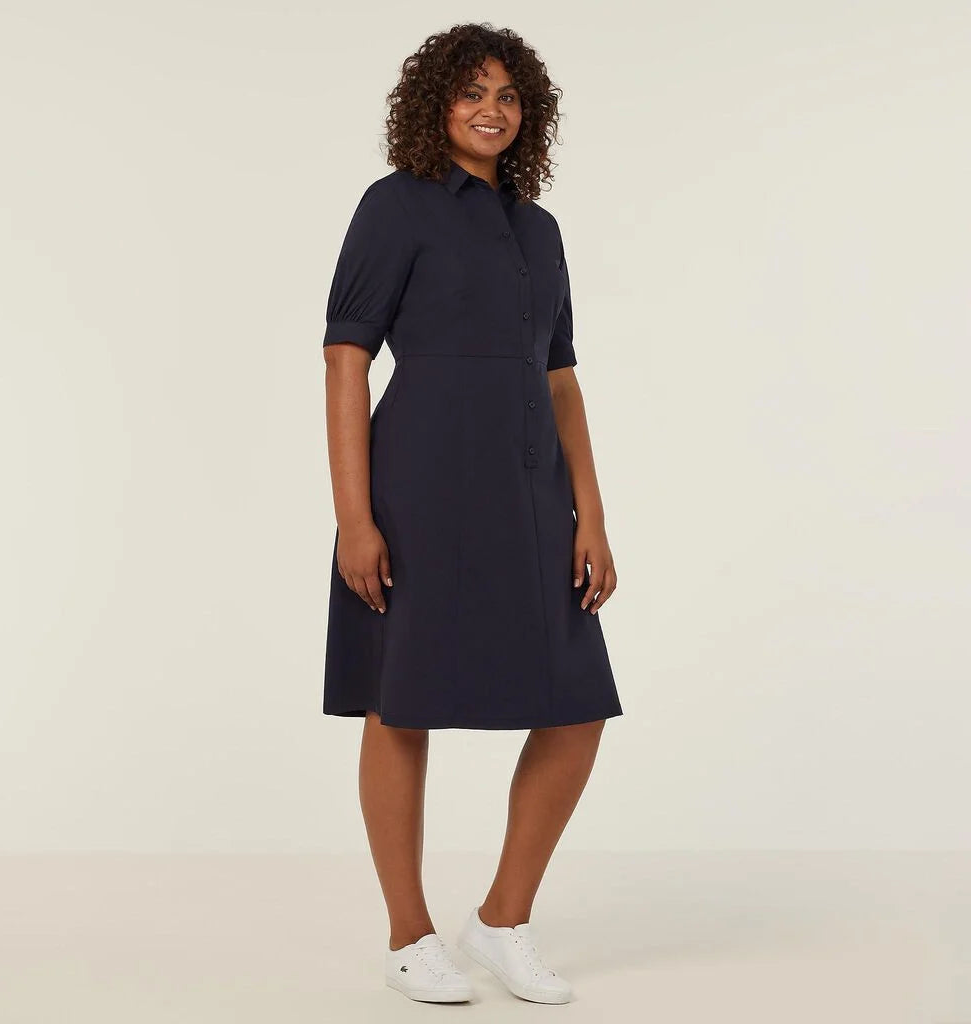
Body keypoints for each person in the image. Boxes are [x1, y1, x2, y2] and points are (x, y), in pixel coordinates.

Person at [320, 23, 623, 1005]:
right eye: (470, 92)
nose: (491, 110)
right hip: (417, 489)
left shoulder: (539, 230)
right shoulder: (395, 206)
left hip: (531, 495)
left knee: (578, 705)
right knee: (398, 701)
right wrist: (354, 517)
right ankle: (408, 934)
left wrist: (590, 515)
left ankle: (500, 921)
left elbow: (560, 379)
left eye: (507, 95)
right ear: (434, 105)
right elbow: (345, 358)